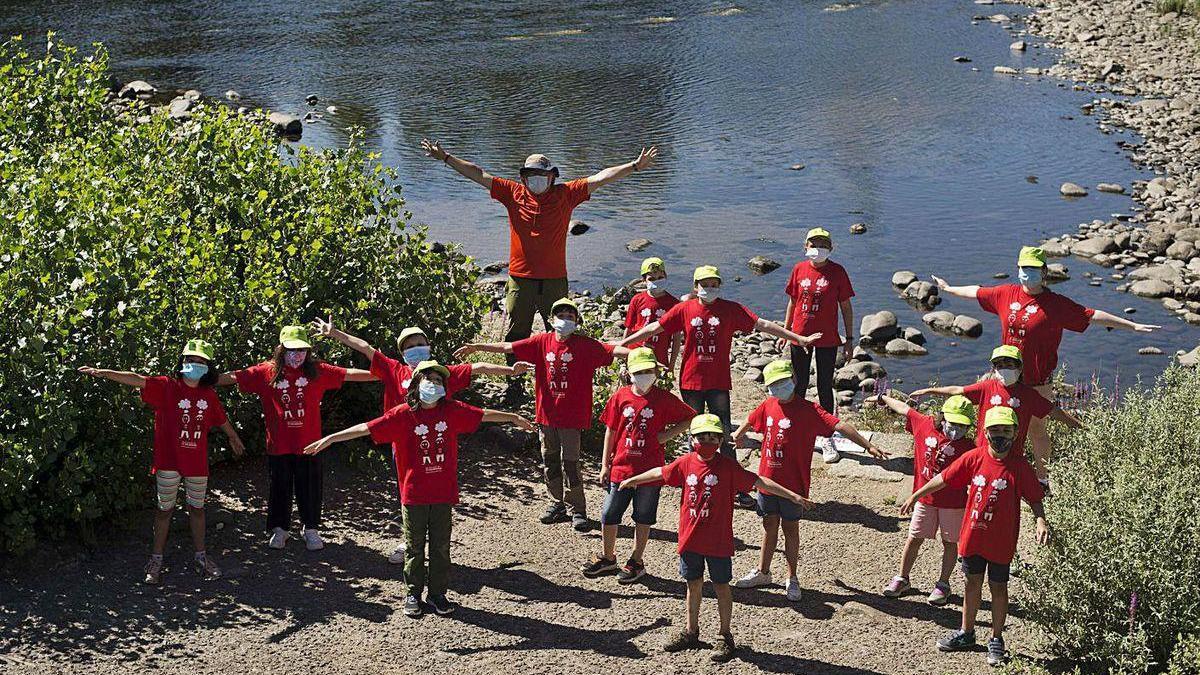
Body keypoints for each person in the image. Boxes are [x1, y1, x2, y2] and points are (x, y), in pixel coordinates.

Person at [302, 361, 534, 618]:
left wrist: (513, 417)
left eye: (438, 380)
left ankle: (437, 595)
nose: (433, 384)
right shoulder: (402, 414)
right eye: (428, 379)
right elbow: (367, 427)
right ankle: (413, 593)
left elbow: (483, 413)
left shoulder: (453, 410)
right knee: (414, 546)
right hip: (413, 494)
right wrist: (331, 438)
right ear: (415, 385)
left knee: (440, 546)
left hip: (443, 492)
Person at [308, 316, 532, 563]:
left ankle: (434, 543)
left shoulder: (439, 374)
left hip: (438, 442)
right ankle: (411, 541)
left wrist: (510, 371)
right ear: (402, 352)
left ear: (429, 346)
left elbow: (477, 367)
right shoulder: (395, 370)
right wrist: (334, 333)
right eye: (409, 346)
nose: (416, 349)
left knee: (437, 489)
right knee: (408, 491)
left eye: (420, 343)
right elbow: (365, 348)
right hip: (403, 445)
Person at [420, 139, 659, 368]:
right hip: (520, 278)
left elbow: (600, 178)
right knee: (517, 334)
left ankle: (554, 372)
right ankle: (515, 379)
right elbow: (479, 174)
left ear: (552, 176)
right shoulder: (512, 192)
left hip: (555, 279)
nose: (537, 180)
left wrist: (635, 166)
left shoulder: (566, 194)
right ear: (523, 177)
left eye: (542, 175)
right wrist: (446, 158)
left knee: (559, 332)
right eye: (531, 175)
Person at [932, 245, 1158, 483]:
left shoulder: (1055, 304)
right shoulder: (1005, 294)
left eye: (1032, 268)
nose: (1027, 273)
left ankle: (1042, 479)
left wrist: (1132, 326)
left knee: (1037, 431)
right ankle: (989, 471)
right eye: (1023, 268)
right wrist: (949, 289)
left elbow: (1091, 316)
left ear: (1044, 271)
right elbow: (977, 291)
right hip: (1003, 377)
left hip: (1037, 381)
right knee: (994, 424)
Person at [619, 265, 824, 507]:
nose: (709, 288)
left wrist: (797, 338)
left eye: (714, 284)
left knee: (724, 434)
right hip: (690, 381)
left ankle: (737, 488)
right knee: (693, 431)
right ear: (695, 287)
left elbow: (763, 325)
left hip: (718, 383)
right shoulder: (684, 308)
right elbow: (654, 328)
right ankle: (693, 479)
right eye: (705, 284)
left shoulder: (730, 309)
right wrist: (620, 343)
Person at [620, 414, 810, 663]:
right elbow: (661, 472)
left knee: (722, 587)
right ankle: (691, 631)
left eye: (713, 437)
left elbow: (758, 480)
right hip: (690, 540)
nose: (707, 441)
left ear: (721, 440)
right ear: (692, 439)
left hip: (719, 542)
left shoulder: (728, 467)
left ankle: (724, 634)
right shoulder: (686, 462)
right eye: (702, 437)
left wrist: (792, 496)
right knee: (693, 584)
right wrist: (632, 479)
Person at [79, 339, 246, 584]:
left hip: (196, 464)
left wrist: (233, 437)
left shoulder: (208, 395)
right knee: (163, 510)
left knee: (197, 509)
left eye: (200, 361)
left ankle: (201, 557)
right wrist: (102, 373)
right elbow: (137, 378)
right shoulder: (167, 386)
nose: (194, 365)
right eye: (190, 360)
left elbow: (220, 419)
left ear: (208, 367)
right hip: (169, 462)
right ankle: (156, 559)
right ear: (182, 362)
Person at [456, 298, 631, 531]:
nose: (565, 320)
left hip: (572, 418)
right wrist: (477, 348)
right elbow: (508, 347)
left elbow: (613, 350)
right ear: (551, 319)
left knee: (571, 463)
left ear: (577, 321)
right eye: (561, 316)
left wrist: (639, 356)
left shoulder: (585, 345)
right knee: (550, 461)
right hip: (546, 416)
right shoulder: (542, 341)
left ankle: (577, 509)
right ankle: (556, 502)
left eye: (570, 316)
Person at [900, 406, 1051, 668]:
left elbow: (1035, 499)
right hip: (972, 537)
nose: (1000, 435)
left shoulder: (1019, 466)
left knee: (998, 588)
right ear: (985, 432)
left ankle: (996, 638)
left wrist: (1040, 520)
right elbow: (945, 478)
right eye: (994, 430)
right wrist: (916, 495)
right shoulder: (975, 457)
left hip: (1001, 541)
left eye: (1006, 430)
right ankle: (966, 633)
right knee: (971, 584)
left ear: (1016, 433)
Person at [730, 360, 887, 600]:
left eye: (783, 381)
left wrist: (868, 445)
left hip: (794, 486)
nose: (779, 387)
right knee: (768, 527)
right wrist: (739, 435)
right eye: (774, 384)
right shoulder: (768, 404)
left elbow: (840, 425)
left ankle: (792, 577)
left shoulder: (809, 410)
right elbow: (752, 419)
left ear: (793, 379)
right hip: (766, 483)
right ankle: (763, 572)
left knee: (790, 529)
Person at [217, 326, 376, 551]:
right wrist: (203, 380)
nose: (297, 354)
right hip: (278, 445)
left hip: (310, 444)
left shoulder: (317, 370)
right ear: (281, 349)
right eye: (292, 349)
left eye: (302, 349)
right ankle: (280, 529)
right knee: (279, 487)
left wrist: (382, 374)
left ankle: (310, 528)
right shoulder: (266, 371)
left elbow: (348, 374)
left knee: (309, 487)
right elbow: (235, 377)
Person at [581, 347, 695, 584]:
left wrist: (667, 435)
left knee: (644, 516)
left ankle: (636, 559)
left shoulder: (663, 399)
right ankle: (608, 556)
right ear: (630, 373)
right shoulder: (621, 397)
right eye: (639, 371)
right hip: (621, 468)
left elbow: (691, 416)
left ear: (656, 371)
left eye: (648, 370)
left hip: (650, 471)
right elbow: (610, 431)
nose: (644, 374)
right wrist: (605, 465)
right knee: (609, 513)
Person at [910, 345, 1083, 484]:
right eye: (1000, 366)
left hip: (1012, 455)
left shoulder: (1028, 395)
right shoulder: (987, 387)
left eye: (1009, 365)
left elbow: (1053, 411)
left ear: (1020, 368)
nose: (1004, 369)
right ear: (994, 368)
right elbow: (958, 390)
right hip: (982, 452)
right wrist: (929, 390)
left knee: (1003, 489)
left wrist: (1079, 426)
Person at [870, 393, 976, 605]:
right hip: (925, 500)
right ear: (943, 417)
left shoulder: (969, 446)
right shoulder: (924, 425)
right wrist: (882, 397)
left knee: (950, 543)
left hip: (954, 504)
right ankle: (902, 578)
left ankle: (943, 584)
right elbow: (903, 409)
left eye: (963, 426)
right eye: (953, 423)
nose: (956, 430)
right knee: (914, 537)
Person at [781, 227, 856, 463]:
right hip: (800, 336)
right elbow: (792, 302)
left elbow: (845, 306)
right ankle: (798, 429)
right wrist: (785, 331)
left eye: (822, 244)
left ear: (831, 248)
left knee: (825, 385)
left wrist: (850, 339)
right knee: (799, 383)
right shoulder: (799, 269)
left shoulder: (837, 272)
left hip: (827, 338)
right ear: (805, 247)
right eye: (813, 244)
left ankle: (826, 436)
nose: (817, 248)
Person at [624, 257, 682, 374]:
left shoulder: (674, 304)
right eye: (652, 279)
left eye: (660, 278)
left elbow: (676, 338)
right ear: (644, 280)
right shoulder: (637, 300)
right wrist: (623, 356)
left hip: (659, 357)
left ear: (665, 276)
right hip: (636, 355)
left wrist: (671, 365)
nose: (656, 281)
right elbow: (629, 329)